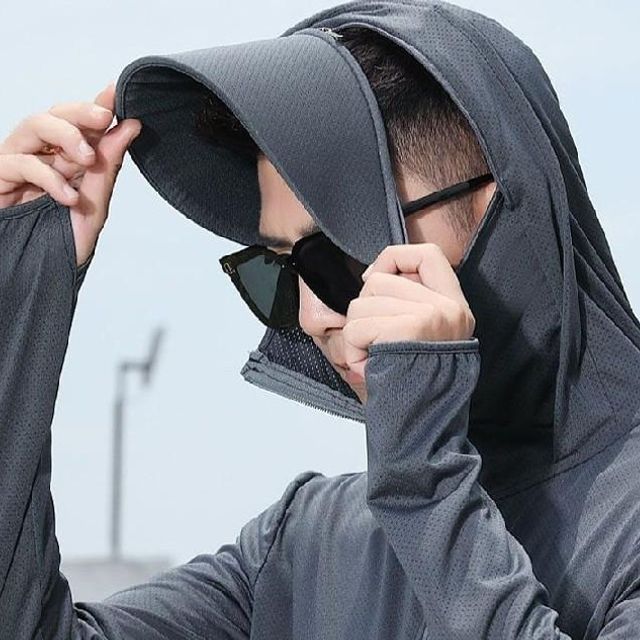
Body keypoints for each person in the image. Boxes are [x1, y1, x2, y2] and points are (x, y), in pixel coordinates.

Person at [1, 2, 639, 639]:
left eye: (338, 253)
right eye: (277, 268)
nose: (310, 315)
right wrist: (21, 284)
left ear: (497, 211)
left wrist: (422, 477)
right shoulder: (304, 545)